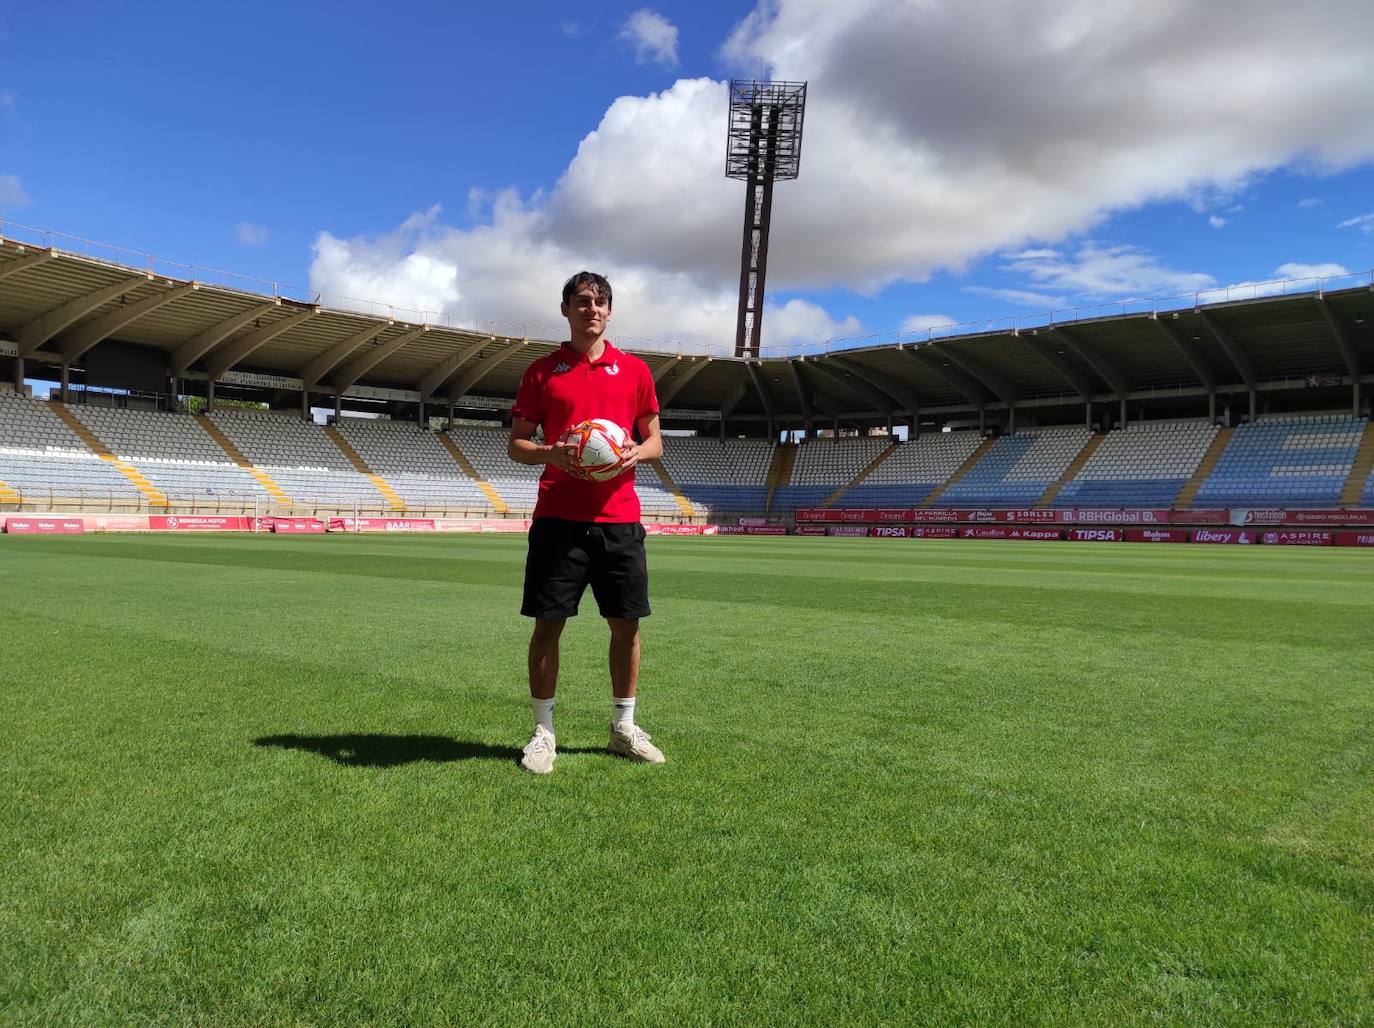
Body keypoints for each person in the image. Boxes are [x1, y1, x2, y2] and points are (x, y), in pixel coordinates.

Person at [506, 271, 665, 774]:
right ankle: (543, 733)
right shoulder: (541, 372)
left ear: (610, 311)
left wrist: (634, 452)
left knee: (627, 626)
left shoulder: (635, 371)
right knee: (548, 626)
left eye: (599, 302)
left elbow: (656, 440)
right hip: (558, 519)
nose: (591, 309)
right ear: (566, 310)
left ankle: (623, 727)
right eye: (581, 301)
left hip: (619, 520)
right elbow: (516, 444)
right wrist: (552, 452)